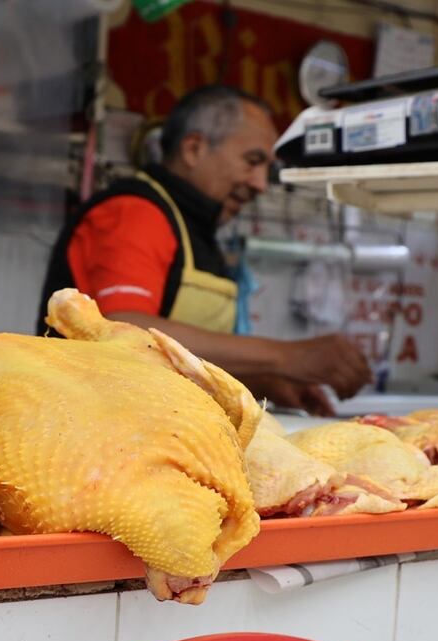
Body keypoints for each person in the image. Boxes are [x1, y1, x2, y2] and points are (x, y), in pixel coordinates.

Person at [37, 85, 371, 415]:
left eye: (265, 169)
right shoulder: (135, 212)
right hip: (83, 426)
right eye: (252, 161)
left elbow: (175, 360)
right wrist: (285, 356)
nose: (260, 184)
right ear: (194, 148)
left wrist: (264, 380)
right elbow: (122, 328)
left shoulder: (195, 229)